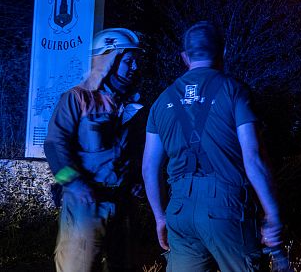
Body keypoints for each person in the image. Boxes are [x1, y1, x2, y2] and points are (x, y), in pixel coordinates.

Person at [142, 21, 287, 272]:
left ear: (184, 57)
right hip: (226, 208)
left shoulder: (161, 101)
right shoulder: (234, 92)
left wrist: (160, 217)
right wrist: (271, 213)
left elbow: (148, 168)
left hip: (180, 210)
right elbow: (253, 158)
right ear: (223, 52)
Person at [44, 27, 147, 272]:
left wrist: (134, 180)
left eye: (135, 62)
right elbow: (54, 146)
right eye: (128, 61)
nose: (134, 68)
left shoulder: (132, 106)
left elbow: (131, 153)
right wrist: (73, 184)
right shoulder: (76, 99)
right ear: (108, 61)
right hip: (84, 208)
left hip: (120, 207)